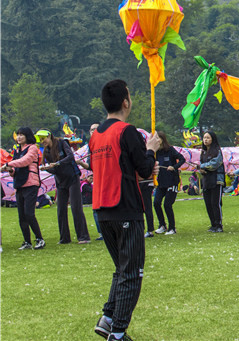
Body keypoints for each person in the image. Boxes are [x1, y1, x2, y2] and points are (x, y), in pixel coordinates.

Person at [89, 79, 160, 340]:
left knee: (121, 268)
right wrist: (151, 150)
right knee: (132, 274)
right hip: (125, 208)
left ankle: (108, 318)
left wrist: (144, 161)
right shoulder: (126, 131)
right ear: (126, 102)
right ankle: (118, 332)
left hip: (102, 210)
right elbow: (143, 169)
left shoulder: (95, 135)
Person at [38, 129, 91, 244]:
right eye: (41, 140)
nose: (43, 142)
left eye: (44, 139)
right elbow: (54, 170)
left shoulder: (61, 143)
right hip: (60, 181)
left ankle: (83, 236)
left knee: (76, 207)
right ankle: (64, 238)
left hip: (72, 178)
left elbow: (70, 157)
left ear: (49, 136)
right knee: (61, 209)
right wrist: (47, 169)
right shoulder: (46, 152)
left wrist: (58, 163)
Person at [1, 127, 45, 250]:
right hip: (19, 184)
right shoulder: (18, 150)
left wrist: (9, 164)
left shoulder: (33, 148)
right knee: (21, 215)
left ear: (27, 136)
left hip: (31, 184)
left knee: (29, 213)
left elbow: (25, 162)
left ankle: (40, 239)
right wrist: (10, 170)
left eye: (22, 135)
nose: (19, 137)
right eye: (18, 135)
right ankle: (27, 241)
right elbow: (16, 167)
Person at [153, 132, 186, 235]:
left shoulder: (170, 150)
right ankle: (162, 225)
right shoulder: (156, 152)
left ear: (162, 139)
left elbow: (182, 159)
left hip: (172, 181)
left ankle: (172, 228)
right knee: (156, 203)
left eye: (158, 138)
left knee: (167, 204)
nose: (156, 140)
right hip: (161, 182)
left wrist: (174, 167)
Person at [199, 131, 225, 232]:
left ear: (212, 139)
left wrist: (201, 166)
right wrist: (201, 170)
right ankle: (213, 224)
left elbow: (214, 164)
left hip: (216, 180)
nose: (205, 140)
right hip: (206, 180)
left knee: (215, 203)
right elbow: (202, 164)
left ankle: (219, 225)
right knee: (208, 203)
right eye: (204, 138)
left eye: (208, 138)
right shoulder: (203, 152)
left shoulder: (217, 151)